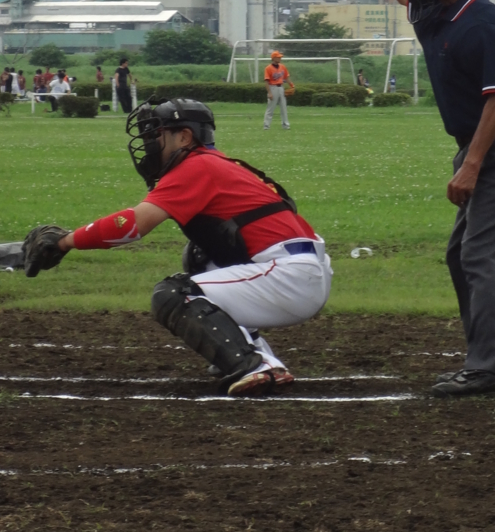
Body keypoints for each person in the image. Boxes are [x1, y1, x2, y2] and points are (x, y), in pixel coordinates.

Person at [346, 0, 495, 398]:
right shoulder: (436, 12)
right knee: (460, 256)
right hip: (476, 147)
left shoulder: (482, 20)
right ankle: (485, 360)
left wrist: (472, 164)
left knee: (479, 254)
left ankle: (491, 367)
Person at [24, 98, 332, 398]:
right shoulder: (217, 163)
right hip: (296, 269)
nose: (148, 145)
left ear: (184, 136)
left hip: (288, 275)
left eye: (154, 135)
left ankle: (254, 365)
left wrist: (65, 240)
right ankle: (259, 358)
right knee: (200, 258)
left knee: (173, 294)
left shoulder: (196, 166)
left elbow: (132, 224)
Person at [263, 51, 294, 130]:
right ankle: (266, 126)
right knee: (270, 108)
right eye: (278, 57)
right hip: (272, 87)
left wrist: (291, 85)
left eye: (280, 57)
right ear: (273, 58)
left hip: (281, 88)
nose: (280, 58)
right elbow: (266, 81)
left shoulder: (282, 66)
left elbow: (286, 77)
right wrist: (269, 92)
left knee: (283, 107)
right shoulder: (268, 68)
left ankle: (285, 125)